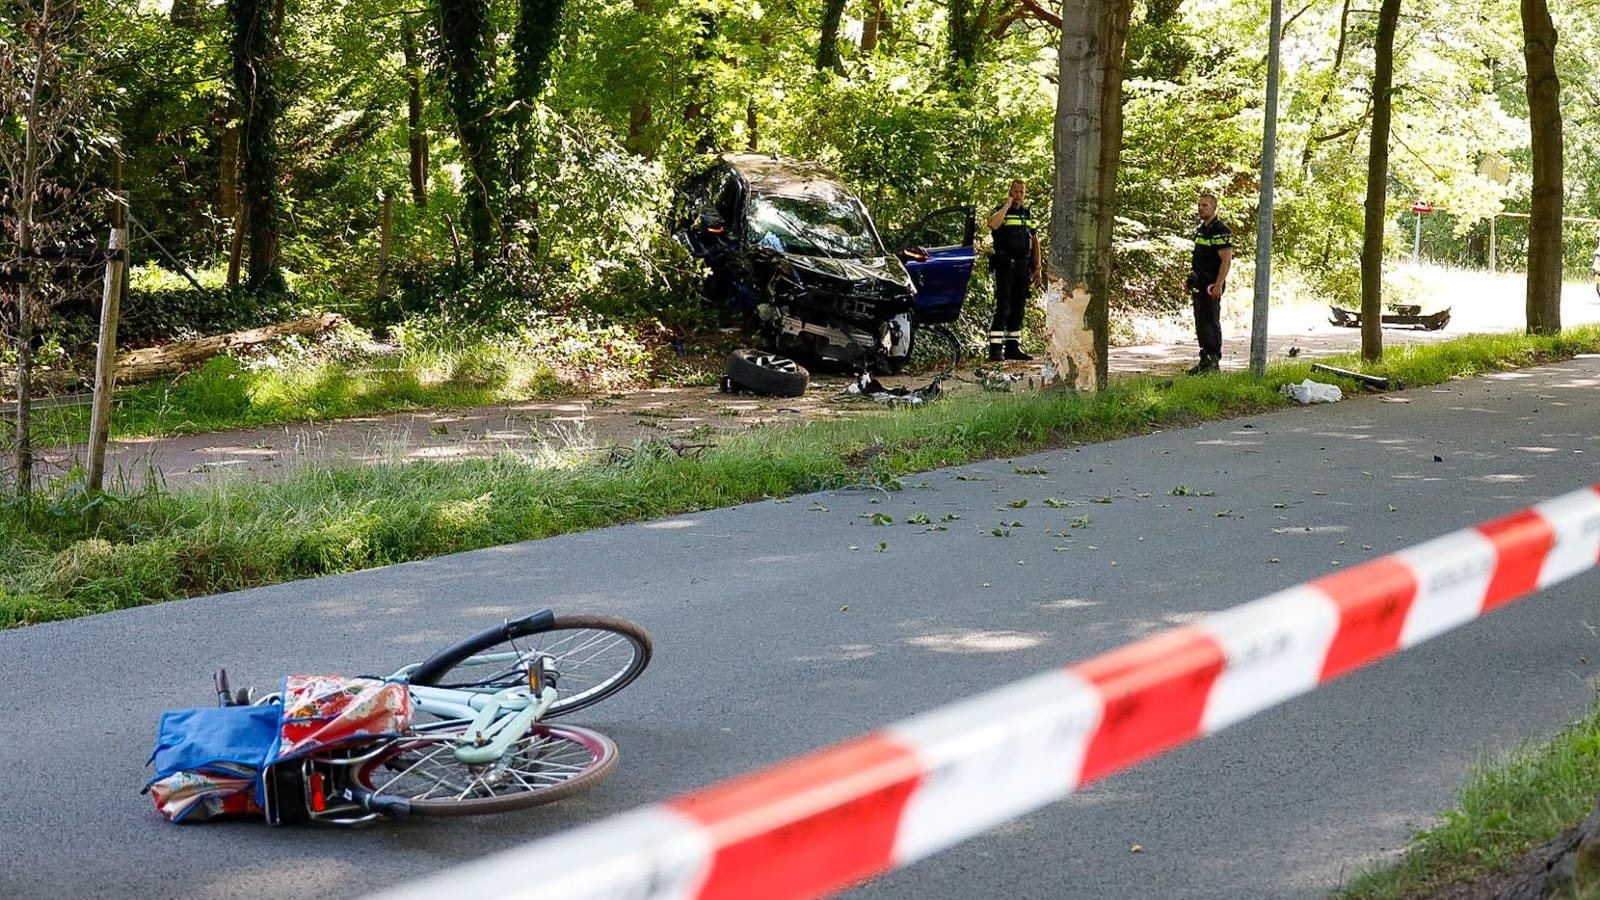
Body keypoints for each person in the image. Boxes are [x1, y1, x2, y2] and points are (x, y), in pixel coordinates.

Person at [986, 179, 1043, 362]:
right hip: (1005, 266)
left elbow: (1035, 241)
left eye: (1021, 192)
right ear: (1010, 192)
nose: (1018, 195)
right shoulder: (1001, 210)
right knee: (1003, 306)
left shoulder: (1027, 214)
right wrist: (1007, 205)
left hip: (1022, 266)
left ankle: (1013, 348)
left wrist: (1038, 267)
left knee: (1018, 307)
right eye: (1015, 191)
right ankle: (995, 350)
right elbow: (993, 225)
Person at [1187, 192, 1232, 374]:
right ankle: (1204, 360)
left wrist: (1219, 283)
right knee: (1201, 321)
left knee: (1211, 321)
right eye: (1199, 205)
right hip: (1199, 281)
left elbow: (1226, 260)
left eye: (1205, 205)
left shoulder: (1220, 230)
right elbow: (1198, 257)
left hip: (1211, 283)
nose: (1201, 208)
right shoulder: (1201, 230)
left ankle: (1213, 361)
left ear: (1214, 208)